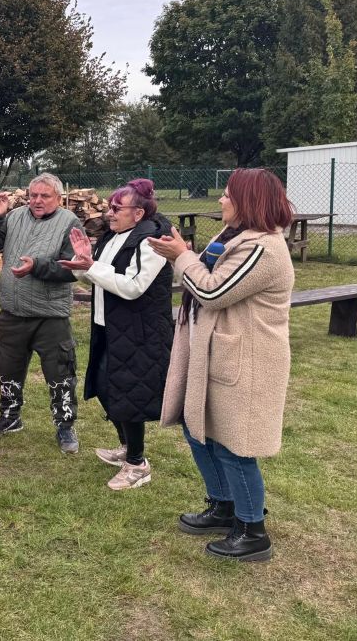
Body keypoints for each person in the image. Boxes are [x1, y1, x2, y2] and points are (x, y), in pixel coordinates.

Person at [148, 168, 295, 562]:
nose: (221, 200)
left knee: (235, 445)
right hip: (214, 356)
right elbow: (203, 273)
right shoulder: (233, 236)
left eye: (228, 194)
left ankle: (252, 531)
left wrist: (181, 257)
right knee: (199, 431)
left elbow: (212, 291)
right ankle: (223, 506)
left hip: (248, 362)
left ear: (248, 201)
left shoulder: (263, 248)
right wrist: (183, 254)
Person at [61, 179, 173, 489]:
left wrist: (93, 266)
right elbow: (97, 276)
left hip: (139, 331)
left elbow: (133, 286)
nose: (109, 213)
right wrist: (83, 263)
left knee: (129, 394)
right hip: (108, 325)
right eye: (110, 206)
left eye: (116, 208)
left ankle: (137, 464)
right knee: (106, 387)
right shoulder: (114, 236)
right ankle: (127, 447)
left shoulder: (151, 242)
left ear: (138, 213)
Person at [0, 173, 83, 452]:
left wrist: (36, 266)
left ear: (58, 198)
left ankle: (65, 426)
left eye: (44, 196)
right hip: (13, 311)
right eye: (33, 195)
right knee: (7, 367)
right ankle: (10, 416)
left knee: (60, 372)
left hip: (50, 315)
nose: (37, 200)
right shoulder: (14, 217)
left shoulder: (70, 223)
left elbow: (73, 269)